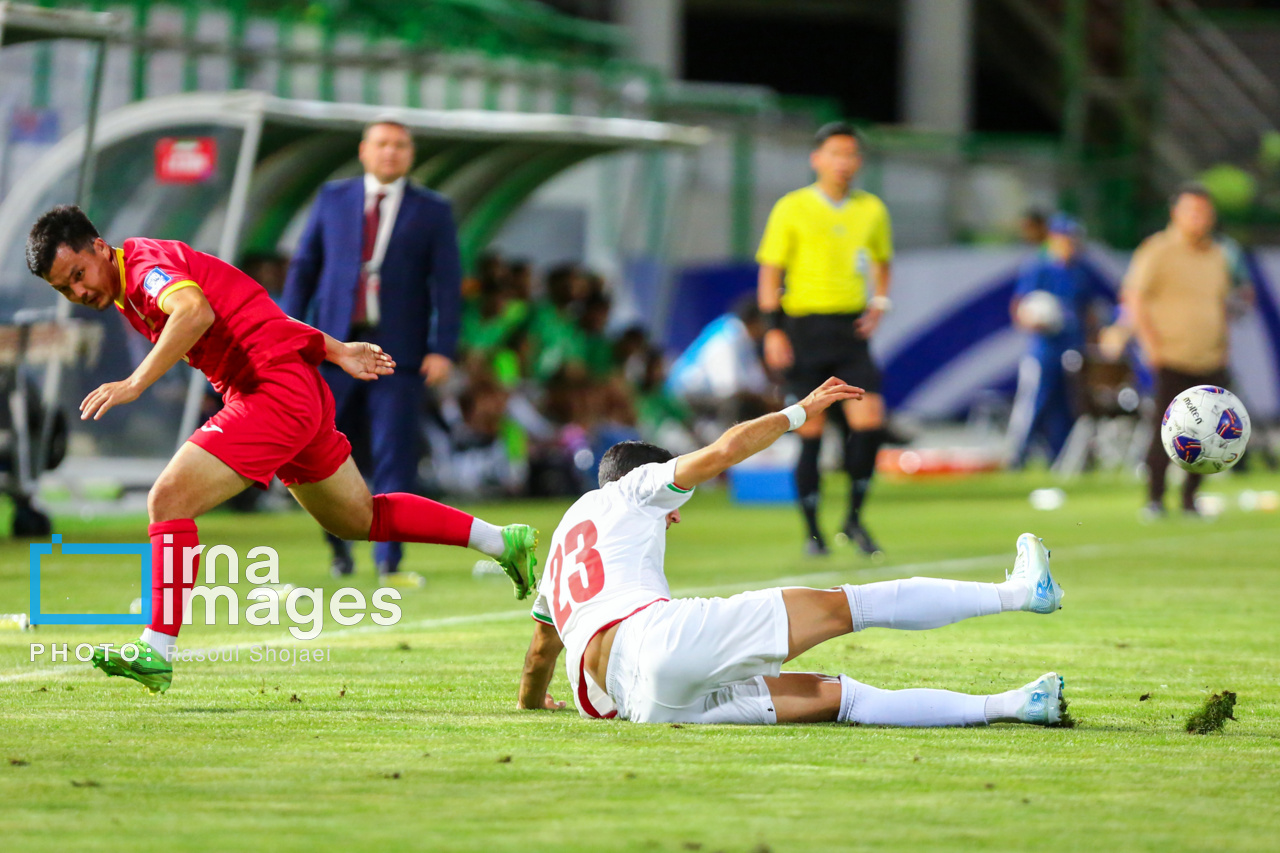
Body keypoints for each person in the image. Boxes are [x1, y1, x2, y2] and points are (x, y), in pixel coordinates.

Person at [25, 205, 538, 694]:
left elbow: (194, 311)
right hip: (292, 388)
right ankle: (500, 541)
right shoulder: (129, 284)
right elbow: (256, 309)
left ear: (98, 246)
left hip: (271, 393)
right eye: (63, 288)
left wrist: (135, 382)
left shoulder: (142, 269)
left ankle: (156, 647)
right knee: (357, 519)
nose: (79, 290)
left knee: (167, 501)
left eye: (78, 273)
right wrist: (333, 349)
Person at [514, 377, 1067, 726]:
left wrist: (532, 705)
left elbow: (543, 648)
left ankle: (1017, 705)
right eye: (673, 504)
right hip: (655, 639)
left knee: (837, 698)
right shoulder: (633, 489)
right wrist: (802, 410)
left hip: (642, 706)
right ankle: (1020, 592)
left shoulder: (565, 534)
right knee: (849, 604)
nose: (676, 513)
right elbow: (726, 449)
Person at [281, 119, 461, 585]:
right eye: (382, 144)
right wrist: (286, 331)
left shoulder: (433, 209)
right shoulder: (333, 199)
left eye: (400, 145)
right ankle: (338, 551)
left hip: (396, 354)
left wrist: (442, 349)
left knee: (394, 457)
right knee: (321, 452)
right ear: (364, 150)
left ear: (411, 154)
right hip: (335, 349)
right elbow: (304, 268)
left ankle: (389, 562)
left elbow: (447, 285)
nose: (390, 153)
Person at [757, 122, 894, 557]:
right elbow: (771, 272)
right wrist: (772, 328)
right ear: (817, 158)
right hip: (804, 329)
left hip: (850, 331)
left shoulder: (871, 209)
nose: (844, 162)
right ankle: (813, 531)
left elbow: (882, 261)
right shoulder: (791, 208)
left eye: (852, 154)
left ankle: (853, 518)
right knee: (809, 428)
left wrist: (880, 303)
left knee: (870, 422)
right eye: (836, 153)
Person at [1122, 183, 1252, 517]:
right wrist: (1151, 345)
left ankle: (1190, 499)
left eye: (1205, 212)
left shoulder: (1219, 254)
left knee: (1212, 435)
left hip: (1210, 356)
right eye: (1192, 211)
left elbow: (1224, 303)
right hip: (1171, 356)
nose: (1200, 218)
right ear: (1175, 213)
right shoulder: (1157, 249)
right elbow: (1134, 298)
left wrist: (1224, 344)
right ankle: (1154, 499)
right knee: (1167, 430)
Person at [1006, 214, 1105, 468]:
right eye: (1064, 238)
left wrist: (1093, 340)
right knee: (1035, 401)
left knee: (1068, 405)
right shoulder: (1038, 266)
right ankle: (1018, 456)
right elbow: (1020, 306)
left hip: (1072, 346)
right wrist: (1032, 321)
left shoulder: (1080, 270)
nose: (1069, 243)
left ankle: (1060, 458)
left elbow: (1088, 310)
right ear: (1053, 239)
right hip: (1045, 348)